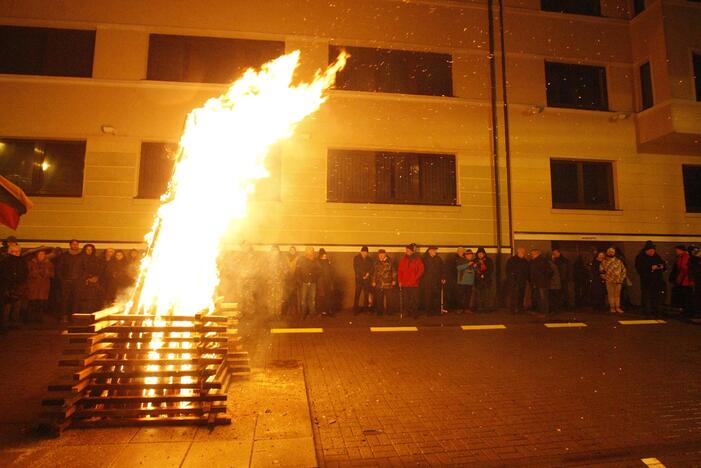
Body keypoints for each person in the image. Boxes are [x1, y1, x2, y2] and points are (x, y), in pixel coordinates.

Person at [0, 243, 28, 331]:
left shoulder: (22, 261)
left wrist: (20, 282)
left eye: (18, 251)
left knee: (17, 307)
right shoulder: (5, 261)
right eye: (14, 252)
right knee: (7, 307)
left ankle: (14, 323)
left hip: (18, 286)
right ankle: (4, 324)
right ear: (10, 252)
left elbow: (25, 273)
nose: (16, 253)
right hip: (7, 287)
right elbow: (3, 274)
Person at [635, 240, 666, 317]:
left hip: (657, 281)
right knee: (647, 296)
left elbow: (663, 264)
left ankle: (656, 311)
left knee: (656, 297)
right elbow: (639, 269)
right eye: (651, 251)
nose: (652, 252)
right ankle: (647, 312)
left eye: (653, 251)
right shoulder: (640, 257)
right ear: (646, 250)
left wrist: (662, 266)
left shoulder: (657, 256)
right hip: (647, 281)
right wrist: (650, 268)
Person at [26, 248, 55, 322]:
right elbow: (27, 273)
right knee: (32, 303)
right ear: (36, 255)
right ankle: (30, 319)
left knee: (42, 304)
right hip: (33, 287)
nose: (42, 255)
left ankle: (40, 319)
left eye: (43, 254)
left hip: (44, 287)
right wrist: (35, 274)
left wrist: (46, 273)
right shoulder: (30, 263)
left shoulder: (49, 264)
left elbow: (52, 274)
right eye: (40, 254)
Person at [57, 239, 83, 322]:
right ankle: (64, 316)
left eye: (76, 244)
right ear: (70, 245)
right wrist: (62, 279)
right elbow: (59, 268)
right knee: (65, 299)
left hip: (77, 282)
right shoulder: (64, 256)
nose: (75, 246)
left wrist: (81, 279)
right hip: (66, 281)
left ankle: (74, 317)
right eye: (73, 244)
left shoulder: (82, 256)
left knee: (76, 299)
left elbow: (85, 269)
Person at [398, 243, 424, 318]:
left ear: (412, 251)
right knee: (406, 299)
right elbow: (400, 271)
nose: (407, 251)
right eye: (406, 250)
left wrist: (415, 278)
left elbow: (421, 270)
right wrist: (400, 281)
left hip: (414, 284)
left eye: (408, 250)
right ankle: (407, 312)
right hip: (405, 283)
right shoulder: (403, 260)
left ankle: (414, 313)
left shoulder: (417, 260)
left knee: (415, 299)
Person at [77, 244, 105, 313]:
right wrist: (86, 278)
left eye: (91, 249)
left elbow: (100, 271)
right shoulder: (79, 259)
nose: (89, 251)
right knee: (83, 301)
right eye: (87, 249)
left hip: (93, 284)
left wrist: (96, 277)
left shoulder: (96, 259)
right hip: (82, 284)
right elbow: (78, 271)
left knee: (93, 300)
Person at [600, 247, 627, 314]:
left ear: (614, 253)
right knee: (611, 295)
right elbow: (601, 271)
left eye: (612, 251)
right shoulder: (604, 262)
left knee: (617, 295)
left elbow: (624, 270)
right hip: (609, 281)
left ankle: (617, 307)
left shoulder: (619, 261)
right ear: (607, 252)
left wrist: (621, 278)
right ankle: (612, 308)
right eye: (609, 251)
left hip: (618, 281)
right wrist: (606, 278)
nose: (611, 253)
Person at [669, 244, 694, 317]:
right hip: (684, 279)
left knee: (685, 296)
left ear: (680, 250)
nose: (676, 251)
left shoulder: (684, 257)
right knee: (685, 296)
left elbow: (684, 267)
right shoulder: (683, 256)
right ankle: (686, 310)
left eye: (677, 250)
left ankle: (687, 311)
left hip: (685, 279)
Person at [296, 246, 320, 318]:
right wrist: (301, 281)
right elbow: (298, 272)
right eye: (308, 251)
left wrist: (313, 278)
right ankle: (303, 314)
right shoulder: (301, 260)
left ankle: (312, 314)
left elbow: (319, 271)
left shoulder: (316, 260)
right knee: (303, 299)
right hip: (304, 282)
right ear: (306, 252)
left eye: (311, 251)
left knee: (312, 299)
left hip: (312, 282)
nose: (310, 253)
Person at [422, 246, 445, 316]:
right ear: (429, 251)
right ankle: (428, 311)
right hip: (427, 281)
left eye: (435, 250)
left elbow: (442, 269)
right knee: (428, 297)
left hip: (436, 281)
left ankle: (436, 311)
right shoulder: (424, 259)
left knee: (436, 296)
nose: (435, 252)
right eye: (434, 250)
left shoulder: (439, 259)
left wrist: (443, 277)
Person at [372, 249, 396, 316]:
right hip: (379, 284)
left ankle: (390, 312)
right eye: (380, 255)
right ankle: (380, 312)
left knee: (389, 299)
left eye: (382, 254)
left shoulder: (390, 262)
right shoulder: (376, 262)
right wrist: (373, 281)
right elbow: (374, 273)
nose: (381, 256)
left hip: (388, 283)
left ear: (385, 254)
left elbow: (394, 272)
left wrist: (394, 280)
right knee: (379, 299)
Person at [506, 248, 529, 314]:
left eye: (523, 252)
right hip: (514, 281)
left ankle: (519, 308)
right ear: (518, 252)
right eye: (522, 252)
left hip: (521, 281)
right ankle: (513, 309)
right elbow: (508, 270)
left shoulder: (524, 261)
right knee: (514, 295)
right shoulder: (513, 260)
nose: (523, 253)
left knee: (521, 295)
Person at [529, 249, 552, 315]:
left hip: (541, 283)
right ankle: (542, 311)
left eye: (532, 254)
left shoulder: (541, 261)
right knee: (540, 297)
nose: (531, 255)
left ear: (536, 254)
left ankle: (544, 312)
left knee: (542, 298)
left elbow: (548, 272)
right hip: (539, 282)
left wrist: (542, 276)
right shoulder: (540, 261)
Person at [353, 246, 374, 313]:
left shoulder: (370, 259)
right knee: (357, 294)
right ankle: (355, 309)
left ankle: (366, 309)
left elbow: (372, 268)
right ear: (361, 252)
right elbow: (356, 268)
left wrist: (368, 274)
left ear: (367, 253)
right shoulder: (356, 258)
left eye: (366, 252)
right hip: (359, 279)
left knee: (366, 294)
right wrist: (363, 275)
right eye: (363, 252)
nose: (365, 254)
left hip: (367, 279)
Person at [456, 249, 477, 313]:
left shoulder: (474, 262)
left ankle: (467, 309)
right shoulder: (461, 260)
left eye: (471, 254)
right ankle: (460, 309)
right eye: (468, 255)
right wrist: (468, 264)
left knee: (468, 296)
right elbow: (458, 268)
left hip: (470, 282)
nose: (470, 256)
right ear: (465, 255)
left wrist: (475, 267)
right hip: (462, 281)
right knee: (461, 296)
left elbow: (475, 271)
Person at [443, 247, 464, 311]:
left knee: (456, 293)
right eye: (460, 251)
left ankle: (454, 307)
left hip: (457, 278)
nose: (461, 253)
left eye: (462, 252)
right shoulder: (454, 259)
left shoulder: (460, 259)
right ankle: (452, 307)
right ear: (458, 252)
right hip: (453, 278)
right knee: (453, 293)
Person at [473, 247, 493, 312]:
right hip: (478, 280)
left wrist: (484, 275)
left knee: (486, 294)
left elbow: (491, 270)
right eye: (479, 254)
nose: (480, 255)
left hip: (486, 280)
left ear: (484, 254)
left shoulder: (489, 260)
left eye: (481, 253)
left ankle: (487, 307)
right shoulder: (475, 260)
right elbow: (473, 270)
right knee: (478, 294)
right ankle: (479, 307)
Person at [316, 248, 335, 316]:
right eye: (323, 255)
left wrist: (331, 282)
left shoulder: (327, 262)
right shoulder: (318, 262)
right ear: (321, 255)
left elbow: (331, 272)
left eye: (325, 255)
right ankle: (321, 311)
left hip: (327, 282)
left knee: (328, 297)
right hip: (321, 282)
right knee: (321, 297)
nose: (325, 256)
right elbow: (318, 273)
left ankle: (328, 311)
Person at [283, 246, 299, 316]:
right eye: (291, 250)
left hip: (294, 280)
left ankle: (294, 312)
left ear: (295, 251)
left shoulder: (298, 258)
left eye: (293, 250)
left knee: (294, 297)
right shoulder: (286, 258)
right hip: (287, 280)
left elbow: (299, 269)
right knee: (287, 297)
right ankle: (286, 312)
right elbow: (284, 268)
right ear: (289, 251)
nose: (292, 251)